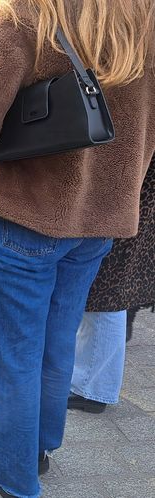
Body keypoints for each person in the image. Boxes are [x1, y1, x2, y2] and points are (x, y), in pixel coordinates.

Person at [0, 0, 155, 496]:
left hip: (28, 213)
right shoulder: (143, 22)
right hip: (100, 221)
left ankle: (12, 472)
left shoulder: (25, 15)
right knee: (57, 338)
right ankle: (36, 444)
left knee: (16, 353)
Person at [69, 157, 155, 414]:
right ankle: (91, 383)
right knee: (109, 290)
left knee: (107, 292)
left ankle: (91, 388)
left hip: (131, 195)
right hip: (132, 194)